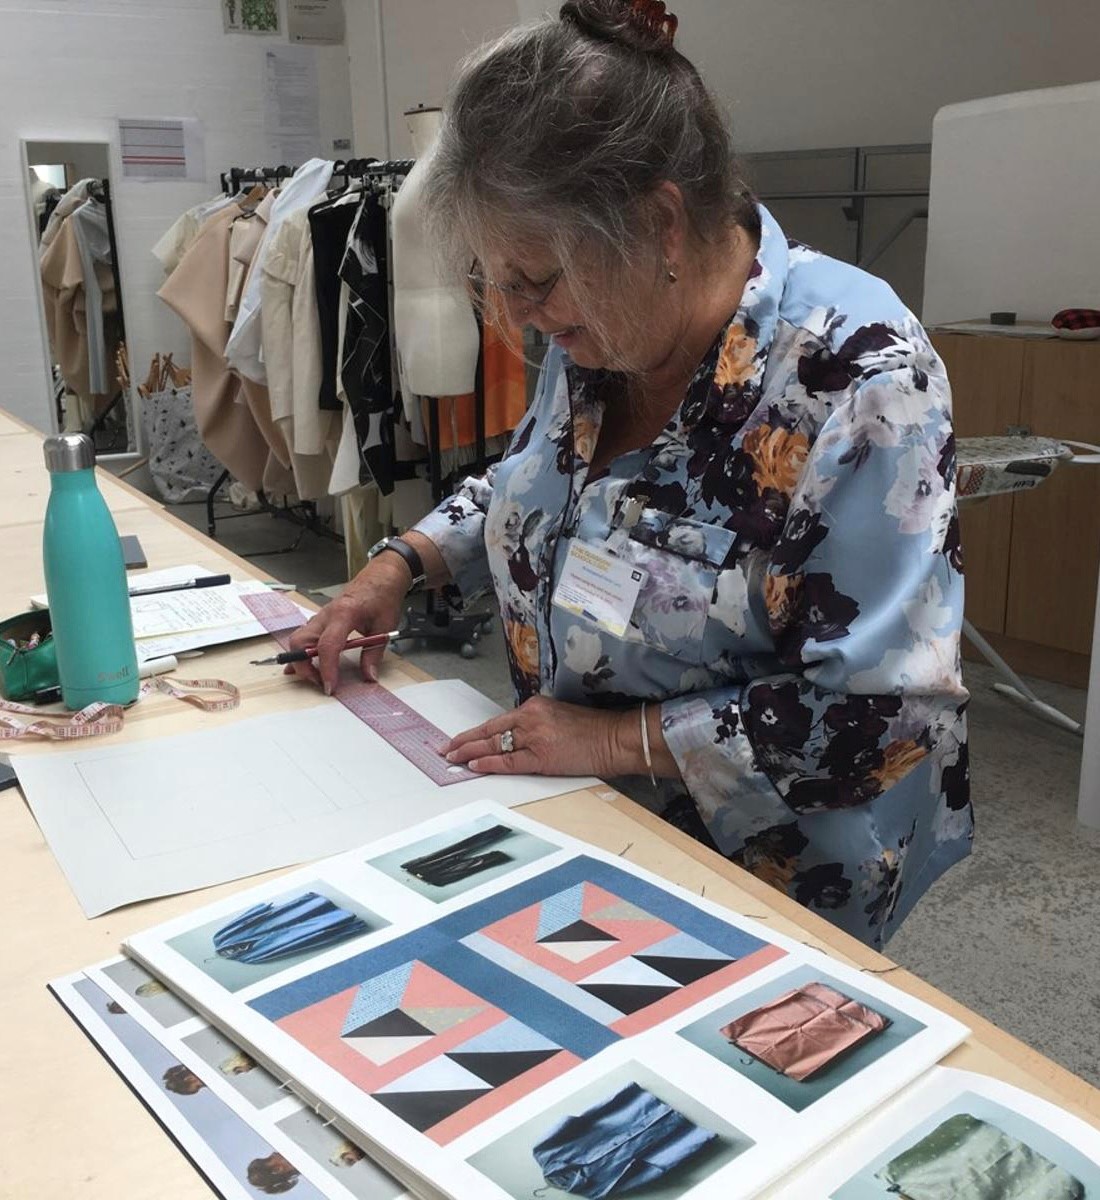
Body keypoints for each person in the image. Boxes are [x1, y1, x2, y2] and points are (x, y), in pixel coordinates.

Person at [289, 0, 971, 949]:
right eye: (499, 281)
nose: (522, 318)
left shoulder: (857, 381)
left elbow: (882, 720)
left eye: (535, 281)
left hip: (771, 872)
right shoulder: (612, 321)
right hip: (590, 821)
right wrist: (400, 564)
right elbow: (541, 487)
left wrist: (612, 741)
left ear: (660, 225)